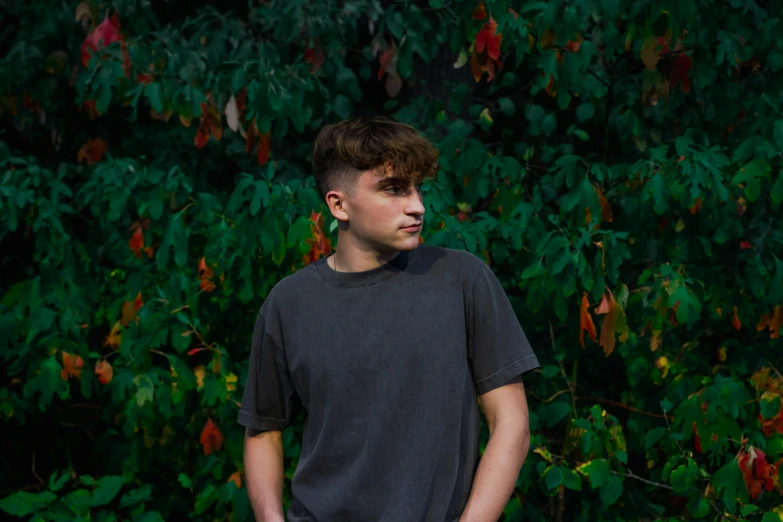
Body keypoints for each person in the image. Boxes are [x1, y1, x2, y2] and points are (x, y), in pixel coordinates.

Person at [238, 115, 540, 522]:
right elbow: (263, 430)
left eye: (417, 189)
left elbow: (512, 422)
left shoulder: (462, 280)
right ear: (338, 204)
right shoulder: (289, 303)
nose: (417, 205)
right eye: (393, 189)